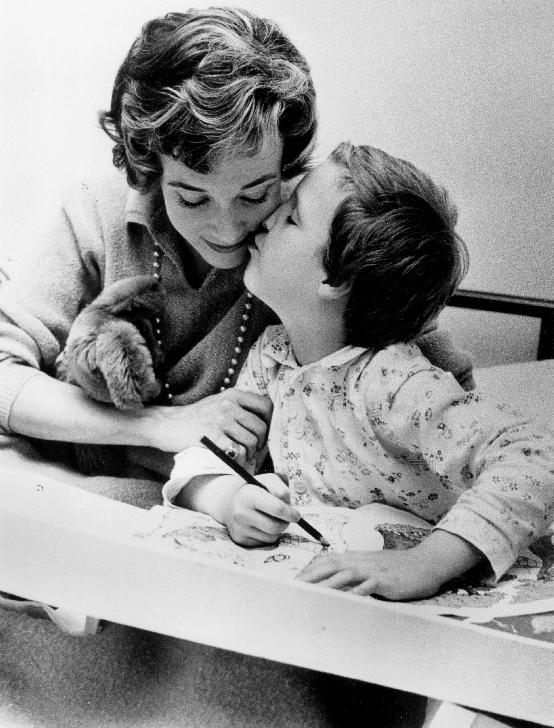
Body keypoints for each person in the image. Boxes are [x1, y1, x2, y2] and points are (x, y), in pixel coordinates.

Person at [0, 10, 436, 727]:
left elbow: (424, 368)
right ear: (147, 169)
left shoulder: (313, 240)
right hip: (81, 505)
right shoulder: (98, 212)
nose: (230, 228)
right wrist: (164, 425)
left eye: (257, 194)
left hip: (215, 540)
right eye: (192, 196)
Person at [166, 142, 554, 601]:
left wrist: (425, 564)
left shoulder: (393, 383)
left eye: (291, 218)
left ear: (334, 280)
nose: (266, 219)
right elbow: (210, 453)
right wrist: (226, 500)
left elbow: (536, 459)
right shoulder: (272, 359)